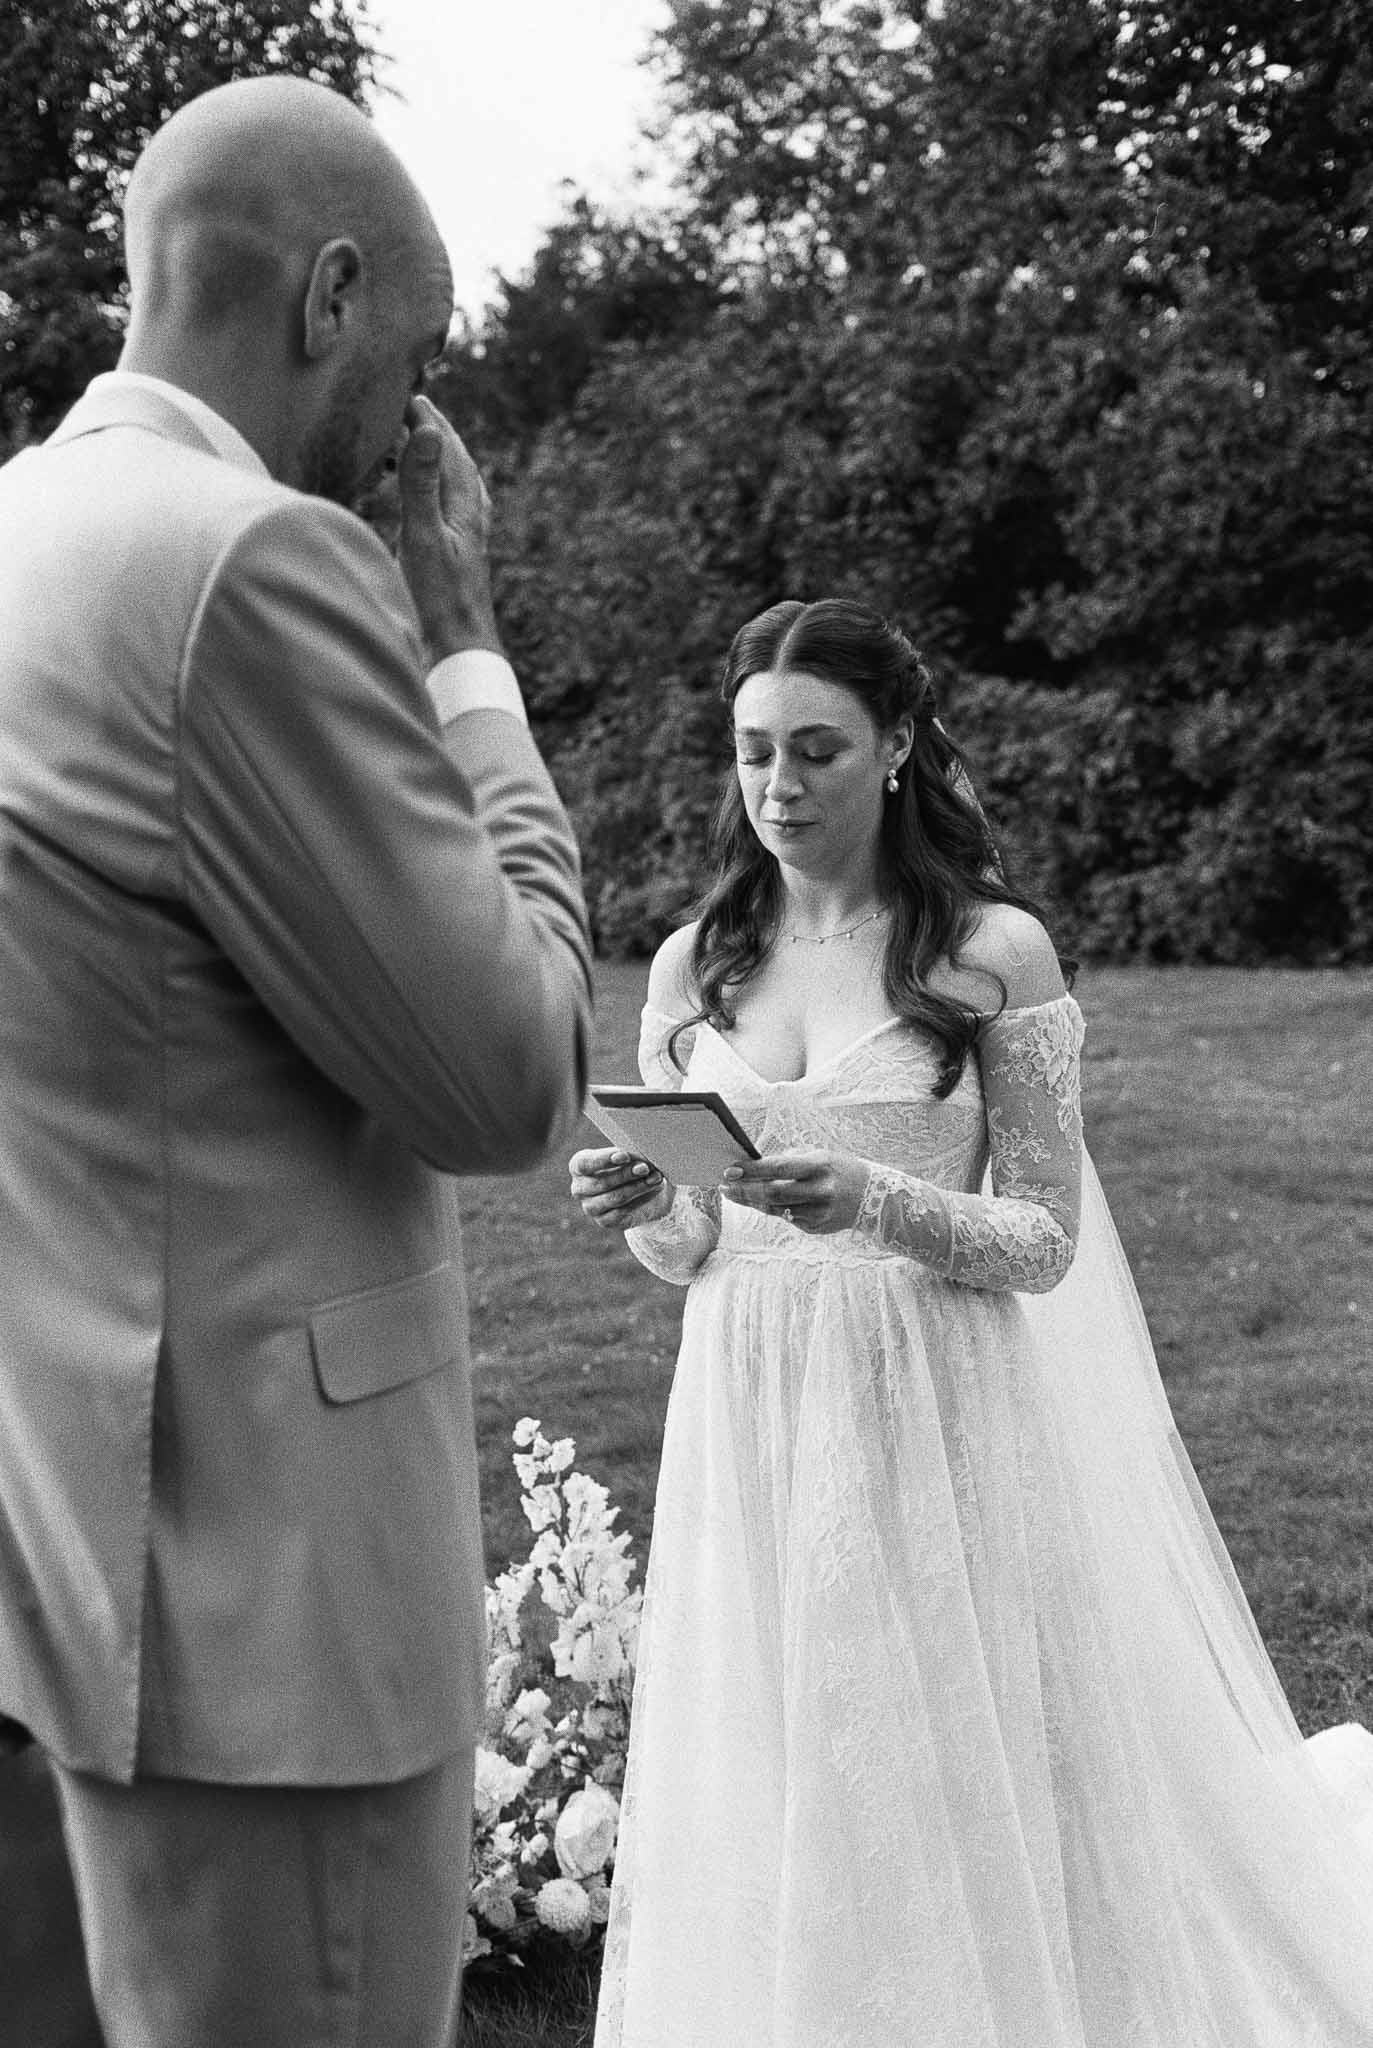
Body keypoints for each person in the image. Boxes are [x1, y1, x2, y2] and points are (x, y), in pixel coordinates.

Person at [0, 75, 592, 2048]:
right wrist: (464, 645)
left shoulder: (24, 528)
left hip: (72, 1554)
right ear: (332, 296)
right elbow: (509, 1069)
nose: (418, 426)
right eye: (418, 354)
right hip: (277, 1629)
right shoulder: (247, 561)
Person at [570, 598, 1373, 2047]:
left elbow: (1045, 1240)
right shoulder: (697, 962)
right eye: (754, 753)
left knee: (957, 1736)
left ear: (892, 752)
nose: (779, 787)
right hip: (750, 1402)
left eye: (816, 750)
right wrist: (638, 1194)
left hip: (934, 1393)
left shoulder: (993, 950)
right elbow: (690, 1246)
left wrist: (872, 1198)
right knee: (786, 1731)